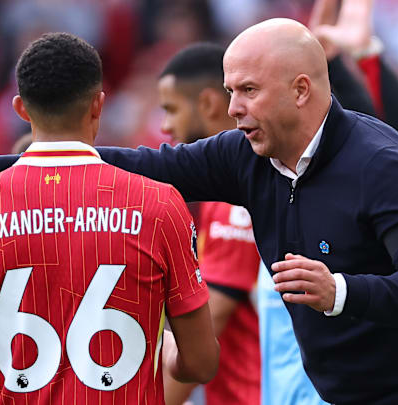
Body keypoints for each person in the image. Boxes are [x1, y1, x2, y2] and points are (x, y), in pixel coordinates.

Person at [0, 20, 398, 405]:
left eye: (247, 91)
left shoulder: (380, 164)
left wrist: (342, 292)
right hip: (341, 395)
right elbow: (146, 164)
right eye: (230, 91)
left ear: (302, 90)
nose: (231, 108)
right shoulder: (247, 155)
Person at [0, 32, 219, 405]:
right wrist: (169, 357)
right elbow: (200, 363)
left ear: (21, 109)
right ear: (98, 105)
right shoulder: (160, 205)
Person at [156, 43, 261, 405]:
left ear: (208, 104)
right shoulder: (228, 189)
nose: (165, 126)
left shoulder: (234, 199)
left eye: (171, 109)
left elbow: (211, 320)